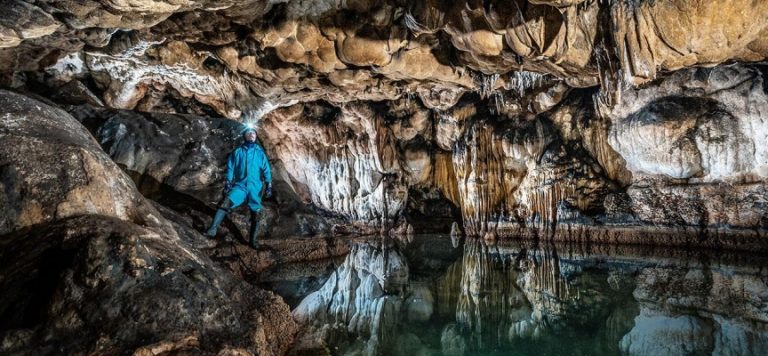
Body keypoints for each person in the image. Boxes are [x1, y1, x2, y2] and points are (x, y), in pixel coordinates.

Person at [206, 125, 272, 247]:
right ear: (244, 136)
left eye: (253, 133)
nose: (251, 135)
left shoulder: (259, 153)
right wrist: (228, 182)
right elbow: (230, 168)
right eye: (249, 133)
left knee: (255, 214)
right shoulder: (237, 152)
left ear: (256, 137)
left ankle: (253, 241)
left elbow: (266, 169)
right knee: (225, 203)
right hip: (240, 186)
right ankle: (212, 229)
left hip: (255, 187)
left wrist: (269, 185)